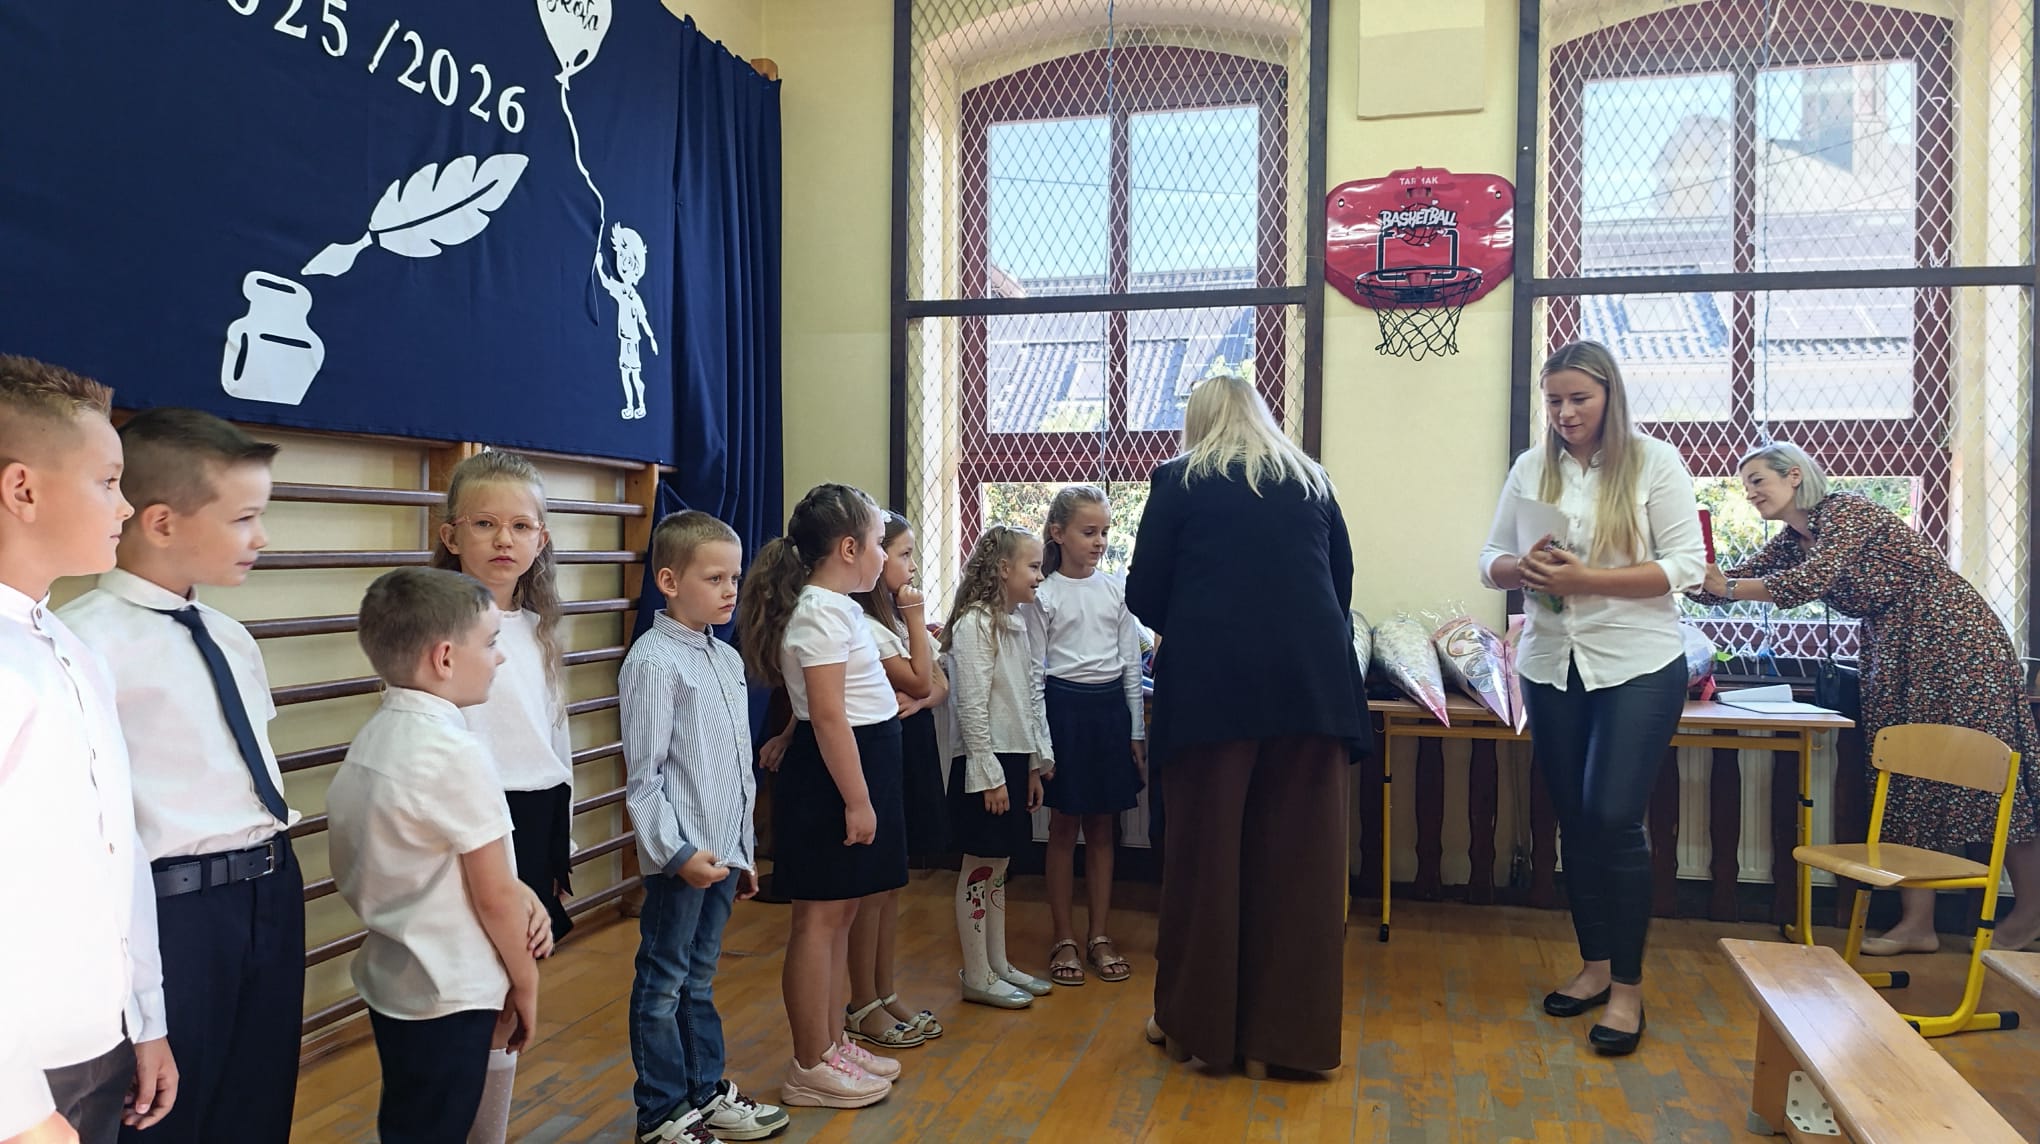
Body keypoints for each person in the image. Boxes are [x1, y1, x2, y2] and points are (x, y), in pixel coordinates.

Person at [60, 410, 301, 1144]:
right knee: (166, 1115)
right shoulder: (85, 644)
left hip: (270, 888)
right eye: (245, 518)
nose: (261, 537)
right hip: (173, 915)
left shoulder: (231, 636)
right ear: (161, 522)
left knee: (258, 1107)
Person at [1696, 441, 2040, 953]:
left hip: (1951, 636)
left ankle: (2031, 912)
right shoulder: (1793, 539)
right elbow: (1720, 588)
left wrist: (1725, 587)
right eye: (1744, 486)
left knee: (1987, 769)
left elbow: (1807, 582)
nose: (1749, 494)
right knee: (1905, 774)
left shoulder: (1846, 511)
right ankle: (1917, 923)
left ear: (1794, 476)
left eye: (1757, 481)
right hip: (1892, 643)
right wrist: (1682, 570)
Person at [1125, 372, 1368, 1079]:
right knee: (1302, 869)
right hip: (1313, 691)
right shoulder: (1312, 480)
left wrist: (1204, 622)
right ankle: (1286, 1042)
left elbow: (1145, 591)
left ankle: (1198, 1029)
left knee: (1205, 860)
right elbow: (1340, 585)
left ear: (1197, 423)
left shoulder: (1179, 480)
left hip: (1212, 693)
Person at [1480, 340, 1705, 1057]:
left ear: (1610, 396)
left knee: (1613, 816)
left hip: (1637, 663)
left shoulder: (1654, 462)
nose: (1566, 413)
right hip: (1552, 664)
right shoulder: (1531, 466)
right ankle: (1595, 966)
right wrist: (1521, 567)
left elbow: (1686, 566)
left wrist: (1587, 581)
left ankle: (1629, 991)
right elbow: (1489, 561)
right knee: (1574, 820)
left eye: (1579, 399)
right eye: (1555, 401)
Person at [0, 355, 174, 1144]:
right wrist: (18, 1106)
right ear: (22, 489)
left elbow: (115, 849)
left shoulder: (70, 648)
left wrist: (143, 1017)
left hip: (92, 1043)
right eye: (108, 482)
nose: (126, 505)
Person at [327, 568, 553, 1144]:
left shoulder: (376, 737)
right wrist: (525, 981)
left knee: (414, 1121)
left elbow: (434, 861)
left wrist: (520, 892)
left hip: (397, 980)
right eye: (491, 642)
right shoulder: (454, 752)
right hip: (453, 992)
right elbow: (493, 895)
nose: (500, 657)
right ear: (446, 658)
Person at [619, 511, 788, 1143]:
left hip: (721, 857)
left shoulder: (725, 657)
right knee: (663, 982)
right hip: (681, 862)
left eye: (734, 578)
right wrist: (677, 853)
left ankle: (703, 1091)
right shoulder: (652, 661)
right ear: (669, 581)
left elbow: (736, 770)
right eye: (713, 578)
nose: (729, 590)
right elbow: (645, 779)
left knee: (699, 977)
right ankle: (661, 1113)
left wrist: (743, 852)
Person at [735, 484, 902, 1109]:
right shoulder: (819, 614)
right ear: (849, 548)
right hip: (836, 777)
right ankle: (809, 1063)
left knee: (843, 913)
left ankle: (832, 1042)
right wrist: (857, 800)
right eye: (879, 543)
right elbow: (828, 717)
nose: (884, 555)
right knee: (819, 919)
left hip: (859, 765)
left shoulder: (838, 608)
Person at [1026, 484, 1146, 987]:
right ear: (1058, 533)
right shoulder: (1043, 594)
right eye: (1088, 532)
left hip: (1108, 714)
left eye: (1104, 532)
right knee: (1063, 827)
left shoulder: (1116, 590)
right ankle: (1064, 937)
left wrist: (1135, 730)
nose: (1099, 542)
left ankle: (1099, 935)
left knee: (1102, 827)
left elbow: (1131, 666)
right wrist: (1041, 743)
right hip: (1064, 712)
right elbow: (1034, 675)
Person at [842, 512, 947, 1048]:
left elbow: (937, 685)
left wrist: (925, 696)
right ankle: (862, 1000)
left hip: (907, 746)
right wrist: (916, 615)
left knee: (891, 883)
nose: (907, 565)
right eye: (901, 553)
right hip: (877, 752)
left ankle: (883, 992)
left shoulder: (892, 621)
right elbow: (921, 678)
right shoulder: (869, 623)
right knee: (871, 887)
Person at [943, 525, 1055, 1010]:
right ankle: (976, 973)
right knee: (980, 865)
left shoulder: (1014, 623)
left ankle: (997, 964)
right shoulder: (975, 623)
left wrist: (1031, 764)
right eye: (1034, 566)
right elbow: (971, 704)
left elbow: (1027, 698)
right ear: (1004, 569)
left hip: (1010, 758)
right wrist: (988, 774)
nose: (1040, 576)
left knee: (1000, 867)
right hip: (982, 764)